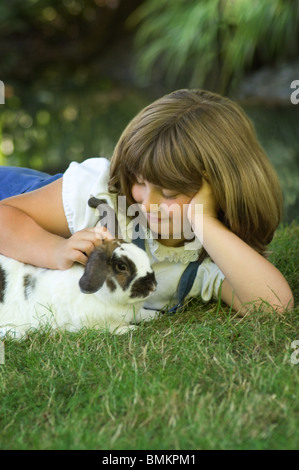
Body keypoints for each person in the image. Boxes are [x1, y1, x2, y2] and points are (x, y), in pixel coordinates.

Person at [0, 89, 294, 314]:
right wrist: (55, 249)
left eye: (168, 194)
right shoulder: (102, 194)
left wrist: (204, 222)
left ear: (221, 191)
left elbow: (274, 306)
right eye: (139, 181)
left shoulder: (208, 259)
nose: (146, 203)